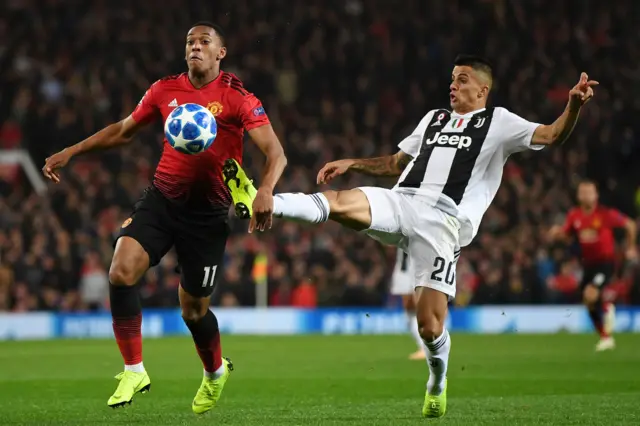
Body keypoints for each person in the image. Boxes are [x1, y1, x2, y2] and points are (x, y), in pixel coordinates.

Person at [223, 54, 597, 418]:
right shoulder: (433, 120)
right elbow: (395, 164)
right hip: (402, 201)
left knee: (430, 327)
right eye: (452, 78)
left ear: (483, 90)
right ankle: (261, 198)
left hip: (443, 223)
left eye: (462, 79)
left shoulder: (498, 122)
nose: (453, 85)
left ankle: (437, 379)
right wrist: (353, 162)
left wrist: (573, 105)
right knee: (337, 202)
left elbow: (550, 134)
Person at [42, 22, 287, 412]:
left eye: (205, 42)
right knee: (120, 271)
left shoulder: (238, 97)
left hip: (207, 216)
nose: (195, 47)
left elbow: (276, 153)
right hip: (162, 200)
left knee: (193, 310)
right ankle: (134, 368)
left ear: (220, 53)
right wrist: (71, 151)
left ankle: (214, 372)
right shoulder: (164, 90)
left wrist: (267, 189)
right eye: (190, 41)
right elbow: (123, 131)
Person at [549, 180, 637, 351]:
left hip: (606, 262)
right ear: (578, 196)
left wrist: (631, 247)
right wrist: (557, 234)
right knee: (587, 301)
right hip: (588, 263)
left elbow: (630, 225)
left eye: (589, 192)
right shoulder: (574, 215)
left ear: (596, 195)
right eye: (582, 192)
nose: (586, 195)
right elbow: (567, 236)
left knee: (591, 294)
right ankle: (605, 337)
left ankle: (606, 307)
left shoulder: (605, 214)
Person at [390, 248, 426, 360]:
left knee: (417, 308)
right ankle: (424, 347)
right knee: (409, 309)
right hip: (404, 268)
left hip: (414, 268)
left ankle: (426, 347)